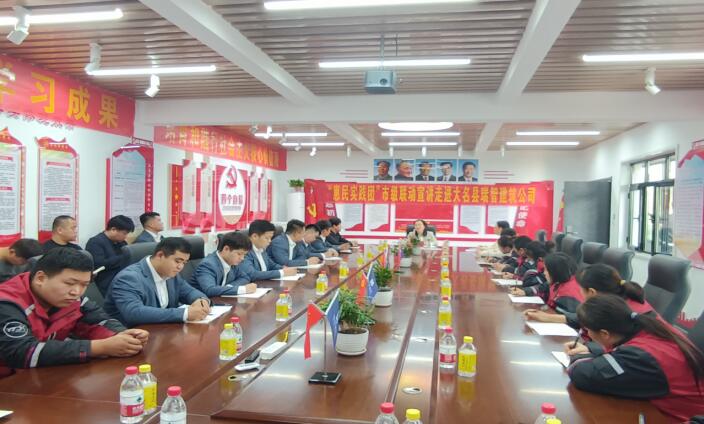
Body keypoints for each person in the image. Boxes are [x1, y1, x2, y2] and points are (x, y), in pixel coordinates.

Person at [0, 248, 149, 377]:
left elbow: (99, 320)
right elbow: (22, 352)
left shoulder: (69, 299)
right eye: (69, 283)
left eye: (84, 285)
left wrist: (124, 336)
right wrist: (99, 347)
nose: (76, 292)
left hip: (42, 376)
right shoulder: (7, 303)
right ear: (41, 278)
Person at [565, 295, 704, 421]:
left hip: (678, 417)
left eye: (588, 330)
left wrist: (579, 356)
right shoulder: (647, 326)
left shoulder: (640, 357)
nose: (587, 334)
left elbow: (582, 374)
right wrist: (593, 349)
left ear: (605, 334)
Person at [104, 237, 210, 327]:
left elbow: (189, 291)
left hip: (162, 330)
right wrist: (185, 313)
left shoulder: (171, 274)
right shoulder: (129, 278)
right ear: (160, 255)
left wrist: (201, 300)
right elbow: (133, 313)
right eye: (177, 261)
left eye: (184, 263)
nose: (180, 267)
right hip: (129, 334)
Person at [521, 253, 583, 323]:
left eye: (546, 270)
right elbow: (543, 289)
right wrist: (538, 312)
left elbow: (574, 320)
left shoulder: (569, 292)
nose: (544, 273)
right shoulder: (559, 281)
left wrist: (545, 316)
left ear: (556, 272)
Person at [192, 232, 254, 297]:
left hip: (221, 300)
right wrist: (243, 289)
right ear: (226, 249)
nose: (242, 258)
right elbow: (210, 290)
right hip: (203, 301)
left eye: (244, 255)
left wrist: (229, 287)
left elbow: (245, 277)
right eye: (239, 254)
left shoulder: (232, 262)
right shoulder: (207, 265)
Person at [85, 215, 134, 296]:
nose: (126, 237)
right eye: (124, 233)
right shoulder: (95, 242)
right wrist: (124, 257)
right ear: (113, 229)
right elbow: (99, 264)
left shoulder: (121, 242)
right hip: (105, 282)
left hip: (122, 278)